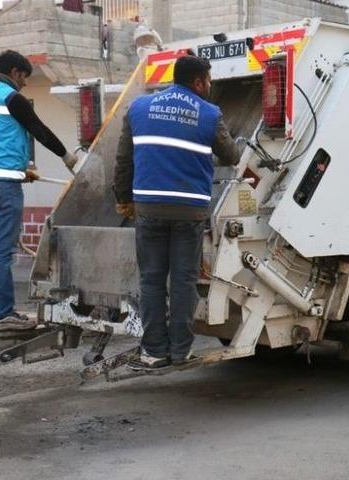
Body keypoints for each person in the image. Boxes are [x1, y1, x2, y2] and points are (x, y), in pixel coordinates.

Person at [113, 55, 240, 371]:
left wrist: (123, 199)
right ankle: (180, 352)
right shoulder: (210, 114)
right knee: (183, 281)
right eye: (208, 81)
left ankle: (154, 351)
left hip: (148, 208)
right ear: (198, 82)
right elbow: (232, 155)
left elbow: (123, 160)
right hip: (189, 212)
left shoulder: (139, 108)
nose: (209, 87)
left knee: (152, 279)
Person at [0, 50, 78, 331]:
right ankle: (3, 315)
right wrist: (67, 156)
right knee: (2, 254)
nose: (25, 84)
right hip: (3, 188)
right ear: (15, 72)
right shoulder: (10, 97)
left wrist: (21, 170)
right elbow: (38, 129)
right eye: (25, 78)